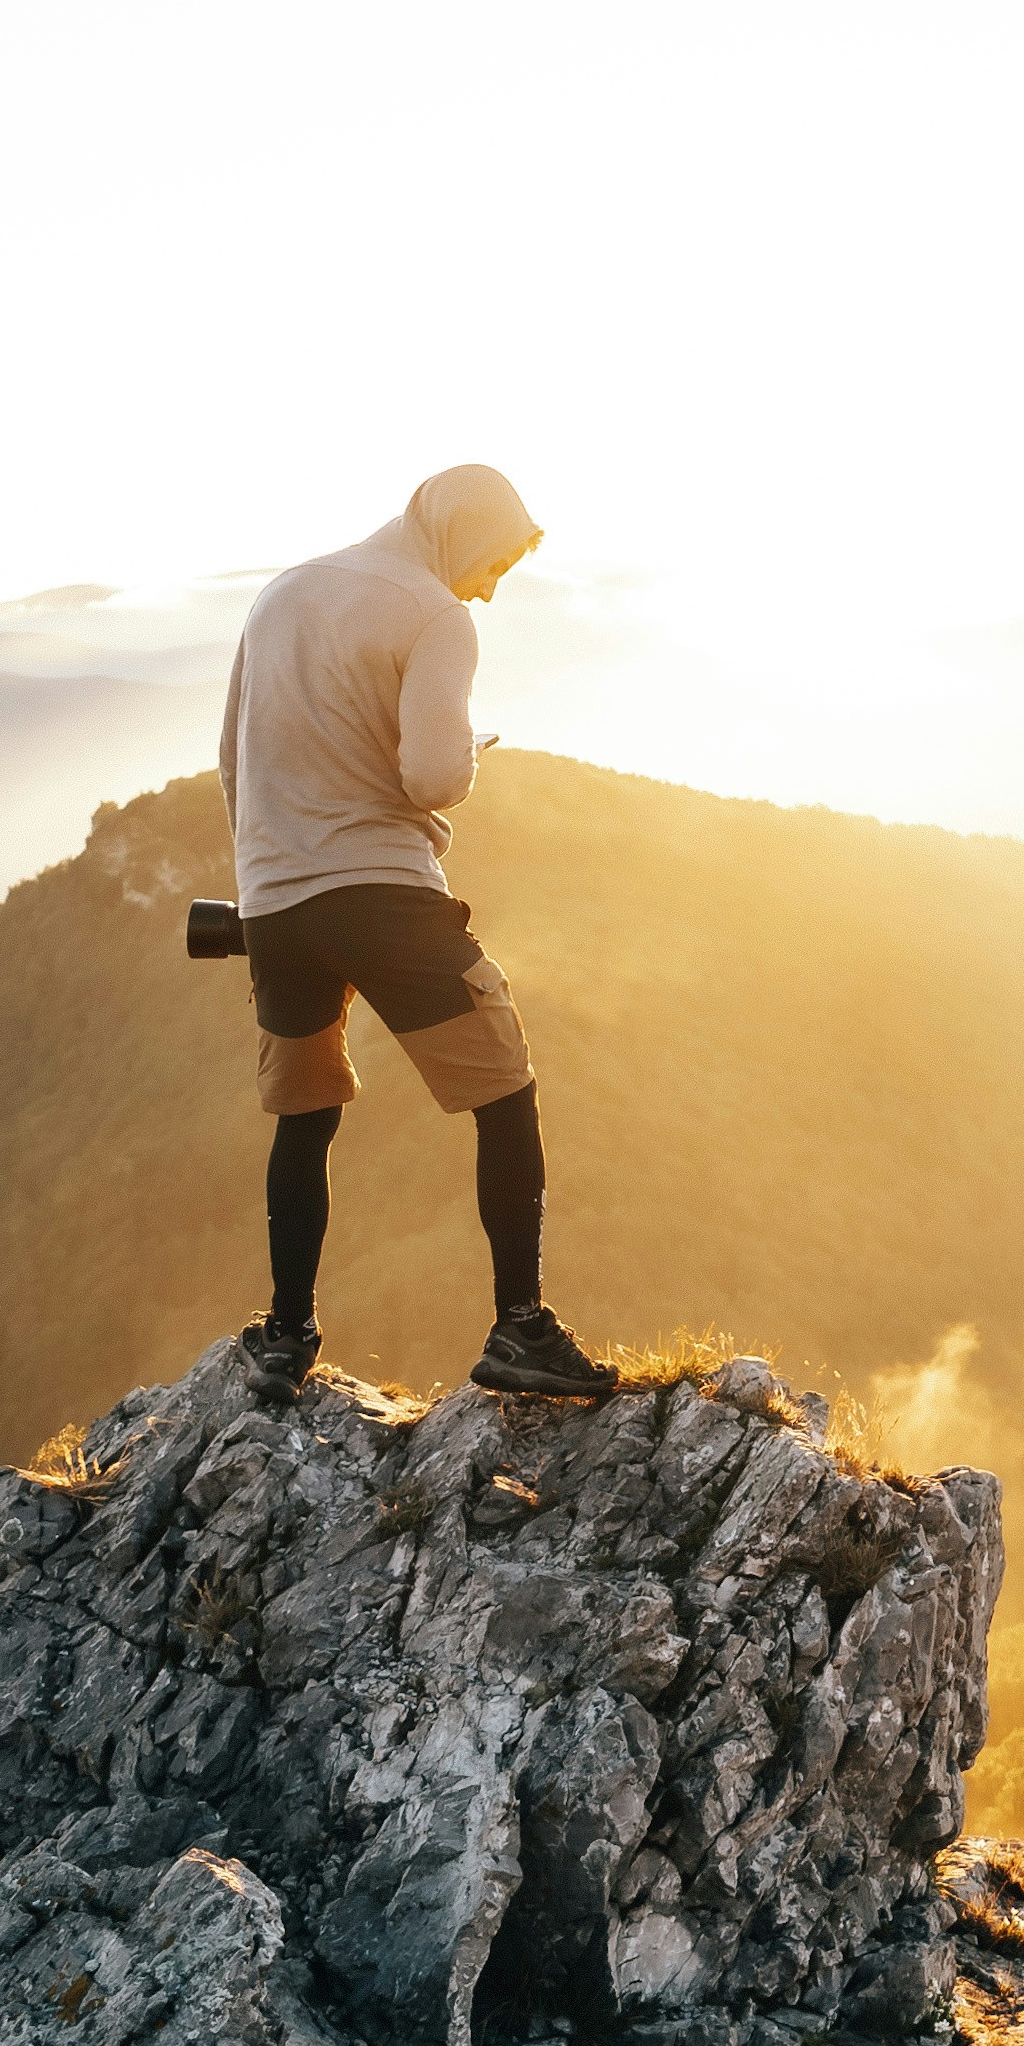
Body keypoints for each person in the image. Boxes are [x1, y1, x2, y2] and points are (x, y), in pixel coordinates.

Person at [213, 461, 610, 1400]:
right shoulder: (435, 614)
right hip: (383, 893)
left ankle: (284, 1333)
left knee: (304, 1115)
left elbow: (231, 755)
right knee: (504, 1085)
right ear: (462, 532)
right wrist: (467, 753)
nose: (491, 584)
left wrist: (269, 873)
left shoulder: (281, 594)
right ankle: (520, 1328)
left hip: (273, 900)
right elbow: (431, 777)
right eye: (496, 560)